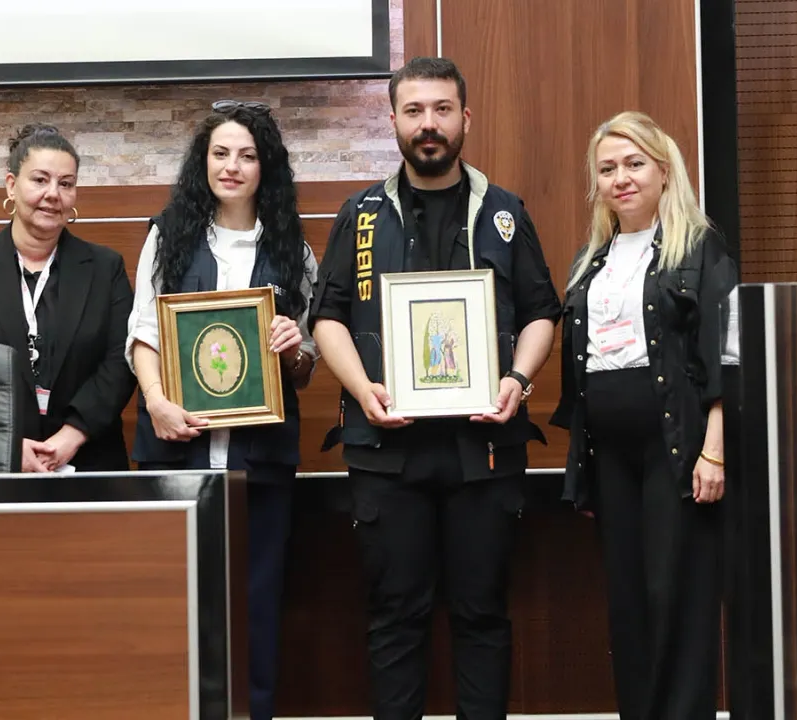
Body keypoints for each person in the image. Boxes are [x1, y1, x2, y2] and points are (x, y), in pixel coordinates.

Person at [309, 57, 561, 720]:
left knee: (483, 613)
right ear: (393, 120)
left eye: (442, 109)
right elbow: (327, 317)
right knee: (395, 617)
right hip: (385, 453)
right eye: (415, 110)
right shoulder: (361, 215)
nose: (429, 124)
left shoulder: (504, 212)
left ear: (465, 118)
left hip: (484, 450)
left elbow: (542, 312)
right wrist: (363, 388)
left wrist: (517, 379)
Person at [124, 100, 319, 720]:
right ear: (202, 162)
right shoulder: (168, 234)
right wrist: (156, 402)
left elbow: (306, 365)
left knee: (257, 607)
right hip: (174, 452)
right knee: (173, 605)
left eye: (247, 156)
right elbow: (144, 332)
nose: (231, 166)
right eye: (220, 153)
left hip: (260, 463)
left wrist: (294, 348)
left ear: (266, 168)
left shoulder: (293, 248)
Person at [550, 110, 738, 720]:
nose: (621, 178)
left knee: (675, 596)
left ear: (664, 171)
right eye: (607, 169)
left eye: (634, 164)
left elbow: (724, 354)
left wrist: (715, 451)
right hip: (609, 455)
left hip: (677, 450)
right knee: (627, 602)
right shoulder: (590, 259)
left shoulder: (700, 247)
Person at [0, 123, 136, 473]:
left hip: (90, 459)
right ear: (11, 185)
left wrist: (73, 434)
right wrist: (8, 441)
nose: (53, 194)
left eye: (66, 184)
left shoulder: (105, 267)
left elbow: (120, 360)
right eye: (40, 180)